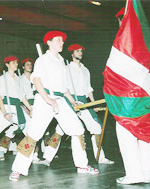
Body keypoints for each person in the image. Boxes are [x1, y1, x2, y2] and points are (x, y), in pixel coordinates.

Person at [9, 31, 99, 182]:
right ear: (49, 43)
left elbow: (64, 88)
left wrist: (72, 101)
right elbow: (37, 81)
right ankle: (18, 169)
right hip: (44, 99)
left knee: (77, 130)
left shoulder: (62, 61)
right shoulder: (42, 60)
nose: (62, 42)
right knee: (34, 134)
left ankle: (82, 165)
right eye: (58, 40)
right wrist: (48, 99)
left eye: (62, 40)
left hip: (61, 100)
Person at [41, 44, 114, 166]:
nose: (80, 53)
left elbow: (89, 89)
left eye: (81, 51)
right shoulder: (66, 68)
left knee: (96, 128)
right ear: (72, 54)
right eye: (77, 51)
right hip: (70, 100)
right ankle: (47, 158)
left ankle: (100, 158)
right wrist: (71, 102)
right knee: (61, 129)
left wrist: (92, 103)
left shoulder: (85, 70)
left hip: (84, 102)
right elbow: (64, 87)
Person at [113, 7, 150, 185]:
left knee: (127, 136)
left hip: (127, 101)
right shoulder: (147, 42)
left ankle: (134, 175)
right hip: (145, 99)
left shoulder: (123, 46)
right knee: (145, 135)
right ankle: (147, 174)